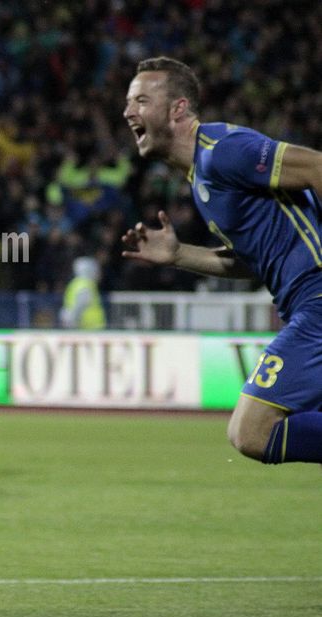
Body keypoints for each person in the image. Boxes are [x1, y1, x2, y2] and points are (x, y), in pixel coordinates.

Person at [121, 56, 322, 467]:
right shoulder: (201, 180)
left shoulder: (224, 151)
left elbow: (319, 167)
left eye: (141, 100)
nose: (128, 112)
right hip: (303, 305)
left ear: (178, 108)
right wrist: (178, 255)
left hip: (317, 300)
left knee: (252, 431)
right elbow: (250, 263)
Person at [59, 256, 106, 329]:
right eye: (96, 270)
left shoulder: (76, 283)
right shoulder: (85, 285)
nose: (98, 273)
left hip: (86, 329)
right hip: (87, 329)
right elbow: (79, 306)